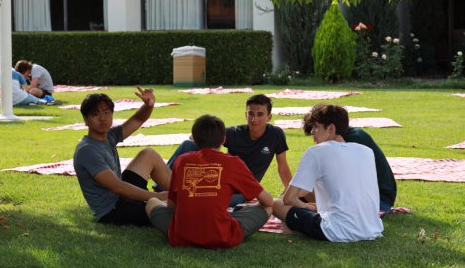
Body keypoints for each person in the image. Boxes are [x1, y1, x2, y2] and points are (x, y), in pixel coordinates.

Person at [145, 115, 273, 249]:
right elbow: (268, 202)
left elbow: (172, 205)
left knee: (152, 202)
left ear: (194, 139)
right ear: (224, 139)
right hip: (224, 237)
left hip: (181, 236)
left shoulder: (181, 161)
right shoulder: (234, 162)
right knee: (267, 206)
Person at [153, 94, 293, 207]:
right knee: (188, 144)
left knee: (216, 199)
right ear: (245, 115)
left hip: (244, 188)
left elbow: (283, 168)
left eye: (260, 114)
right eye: (251, 114)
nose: (254, 119)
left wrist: (289, 192)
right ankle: (161, 189)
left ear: (269, 117)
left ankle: (178, 200)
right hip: (220, 177)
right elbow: (197, 136)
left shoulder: (276, 134)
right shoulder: (234, 133)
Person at [272, 103, 384, 242]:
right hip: (372, 228)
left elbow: (288, 199)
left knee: (276, 204)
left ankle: (300, 228)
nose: (312, 131)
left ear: (331, 128)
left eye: (316, 127)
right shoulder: (366, 151)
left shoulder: (316, 151)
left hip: (337, 230)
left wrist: (306, 206)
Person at [73, 89, 171, 226]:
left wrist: (149, 105)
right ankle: (182, 199)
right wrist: (159, 196)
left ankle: (182, 191)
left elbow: (138, 119)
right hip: (113, 210)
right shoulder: (87, 150)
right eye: (96, 114)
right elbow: (117, 187)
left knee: (148, 154)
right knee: (168, 207)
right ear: (85, 118)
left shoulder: (109, 136)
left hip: (121, 196)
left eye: (106, 112)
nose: (102, 118)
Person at [299, 112, 397, 212]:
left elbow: (343, 183)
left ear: (330, 128)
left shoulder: (352, 142)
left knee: (304, 189)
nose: (313, 135)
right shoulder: (348, 137)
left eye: (316, 128)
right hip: (372, 198)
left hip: (378, 200)